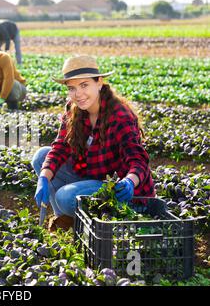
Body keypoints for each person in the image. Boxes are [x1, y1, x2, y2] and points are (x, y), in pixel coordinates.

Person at [31, 55, 155, 232]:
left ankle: (78, 217)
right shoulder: (74, 109)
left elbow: (138, 159)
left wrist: (129, 182)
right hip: (92, 177)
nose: (78, 94)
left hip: (120, 189)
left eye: (84, 85)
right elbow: (61, 146)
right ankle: (67, 220)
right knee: (41, 157)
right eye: (72, 88)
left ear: (99, 82)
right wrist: (43, 178)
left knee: (65, 197)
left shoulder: (119, 115)